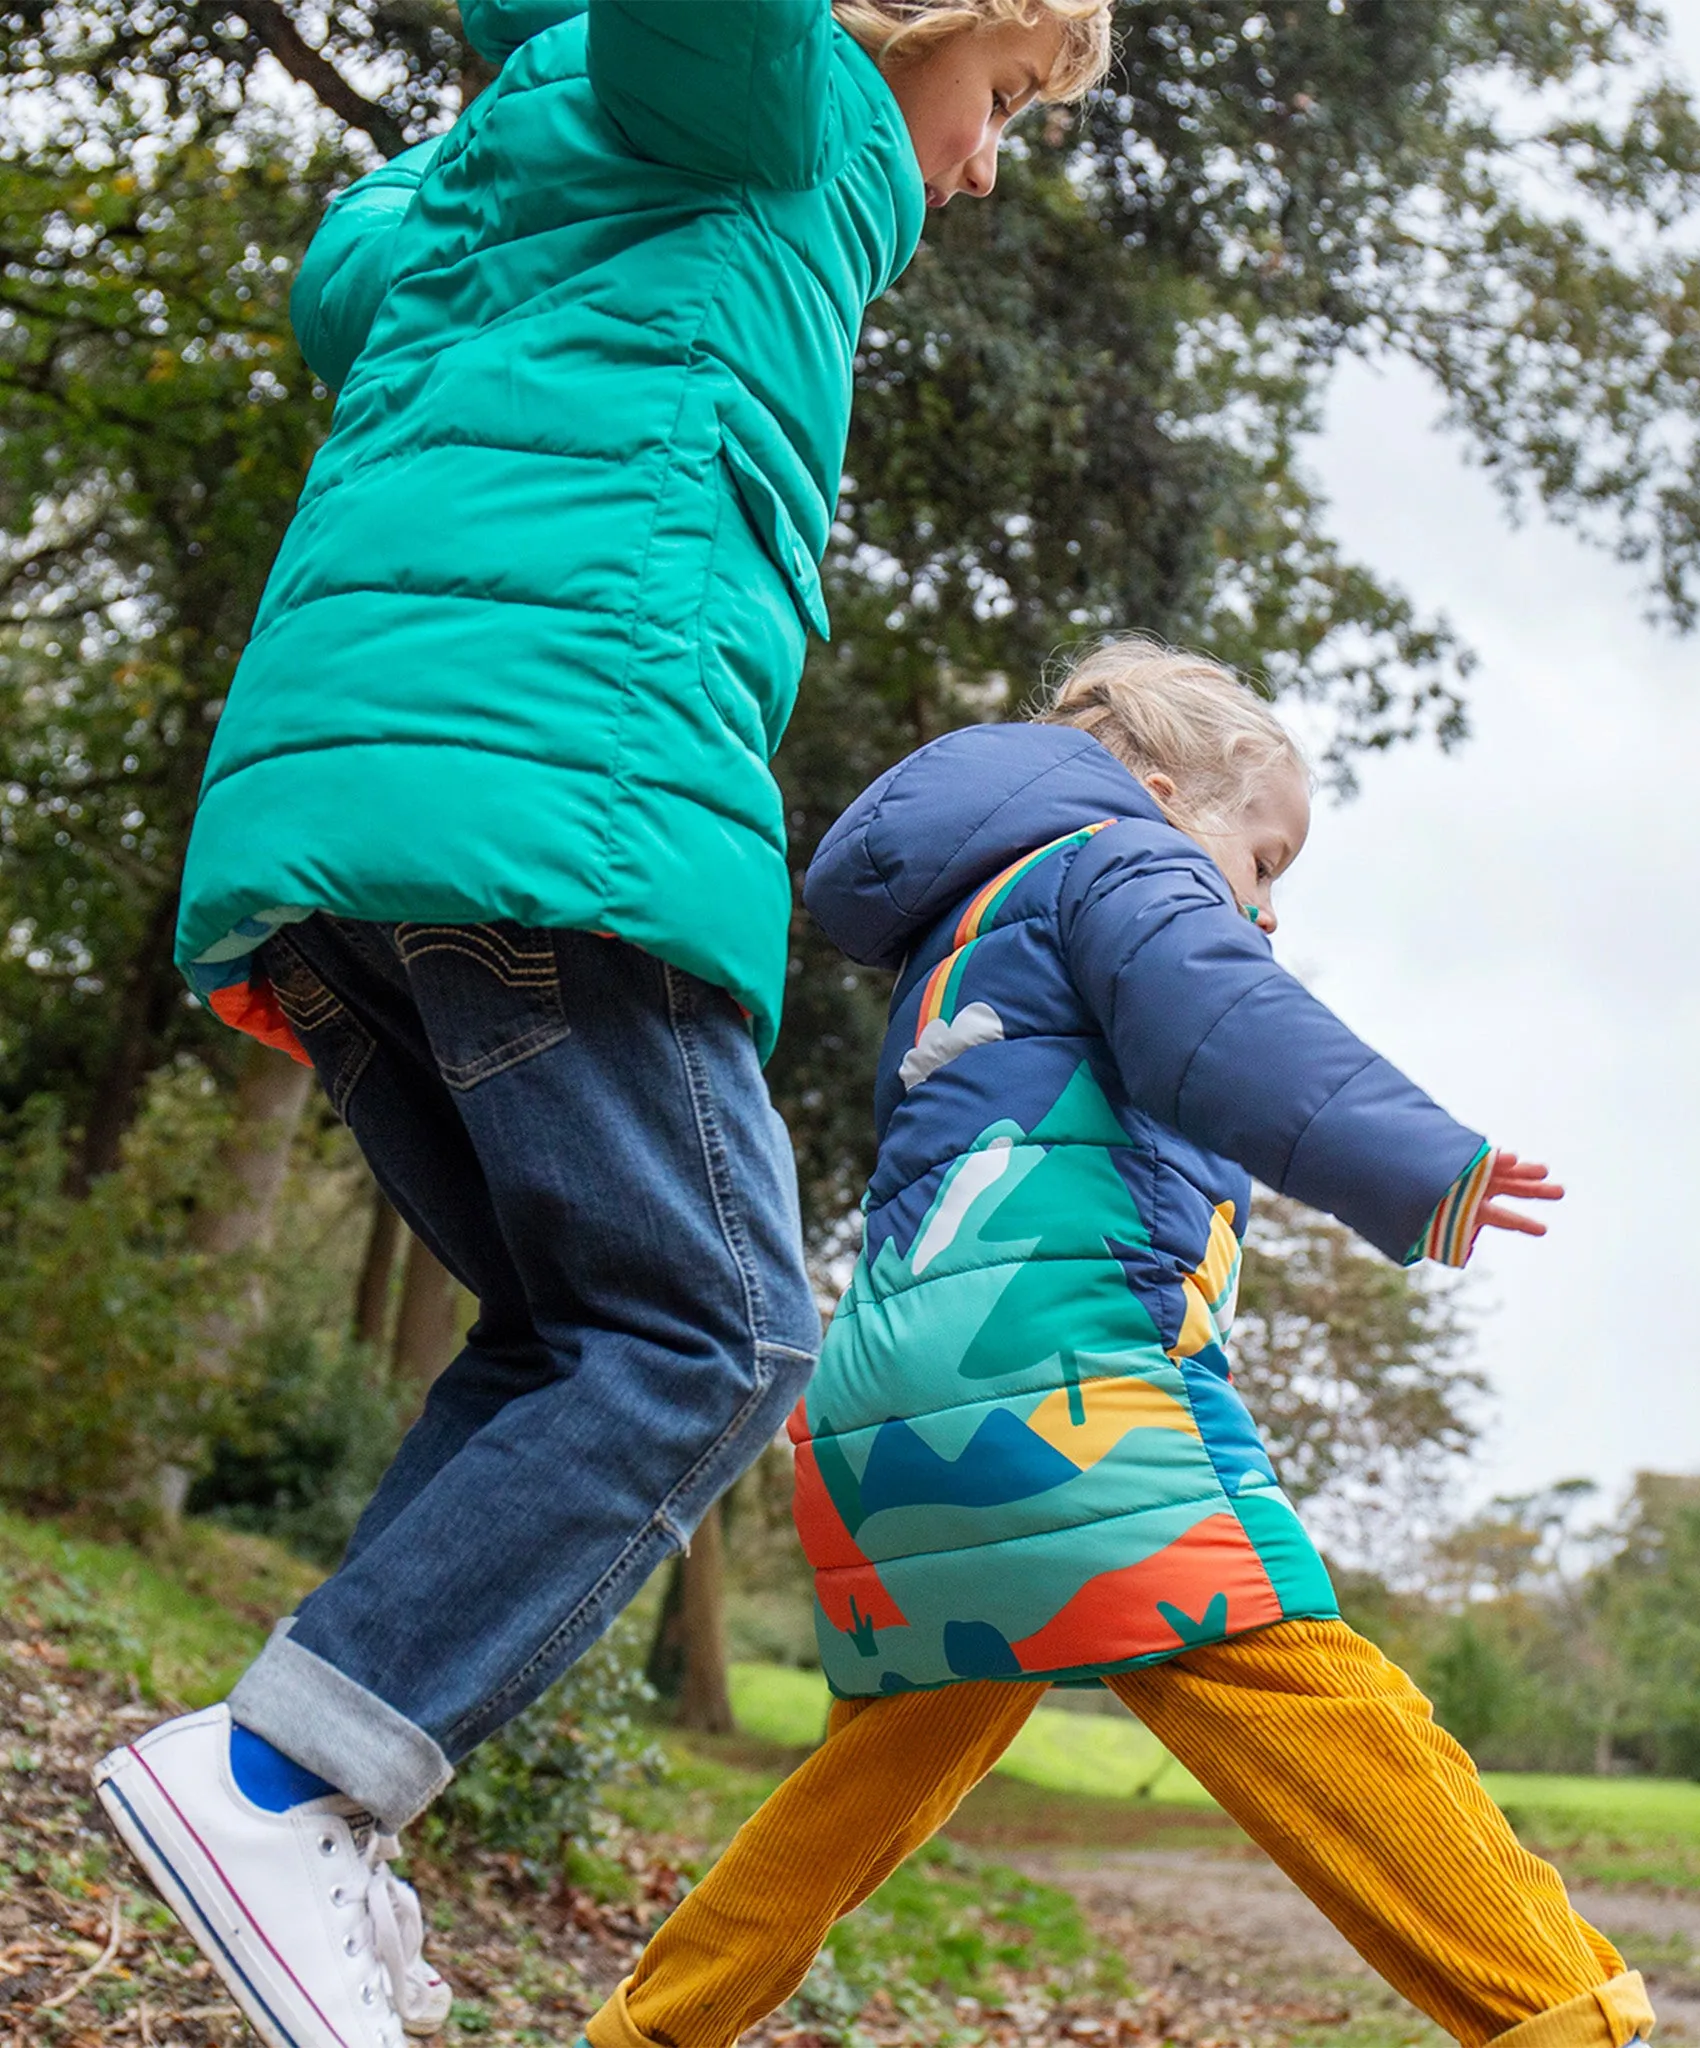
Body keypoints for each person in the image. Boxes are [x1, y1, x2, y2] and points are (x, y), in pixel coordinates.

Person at [92, 6, 1114, 2047]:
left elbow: (359, 273)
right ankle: (275, 1783)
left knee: (578, 1337)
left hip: (339, 844)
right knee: (719, 1326)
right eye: (1002, 97)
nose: (989, 168)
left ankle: (305, 1800)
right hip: (550, 810)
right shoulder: (756, 95)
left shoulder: (524, 167)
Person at [575, 638, 1653, 2048]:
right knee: (1311, 1697)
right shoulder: (1120, 862)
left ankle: (648, 2030)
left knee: (871, 1780)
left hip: (890, 1409)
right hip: (1063, 1387)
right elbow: (1223, 1016)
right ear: (1156, 790)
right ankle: (1575, 2020)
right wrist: (1415, 1162)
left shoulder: (963, 930)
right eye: (1262, 864)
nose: (1261, 909)